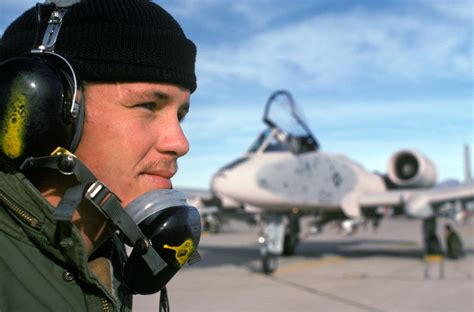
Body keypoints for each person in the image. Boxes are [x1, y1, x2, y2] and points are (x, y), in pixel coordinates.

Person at [0, 0, 199, 311]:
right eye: (148, 105)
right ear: (44, 108)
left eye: (181, 115)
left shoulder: (105, 251)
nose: (180, 143)